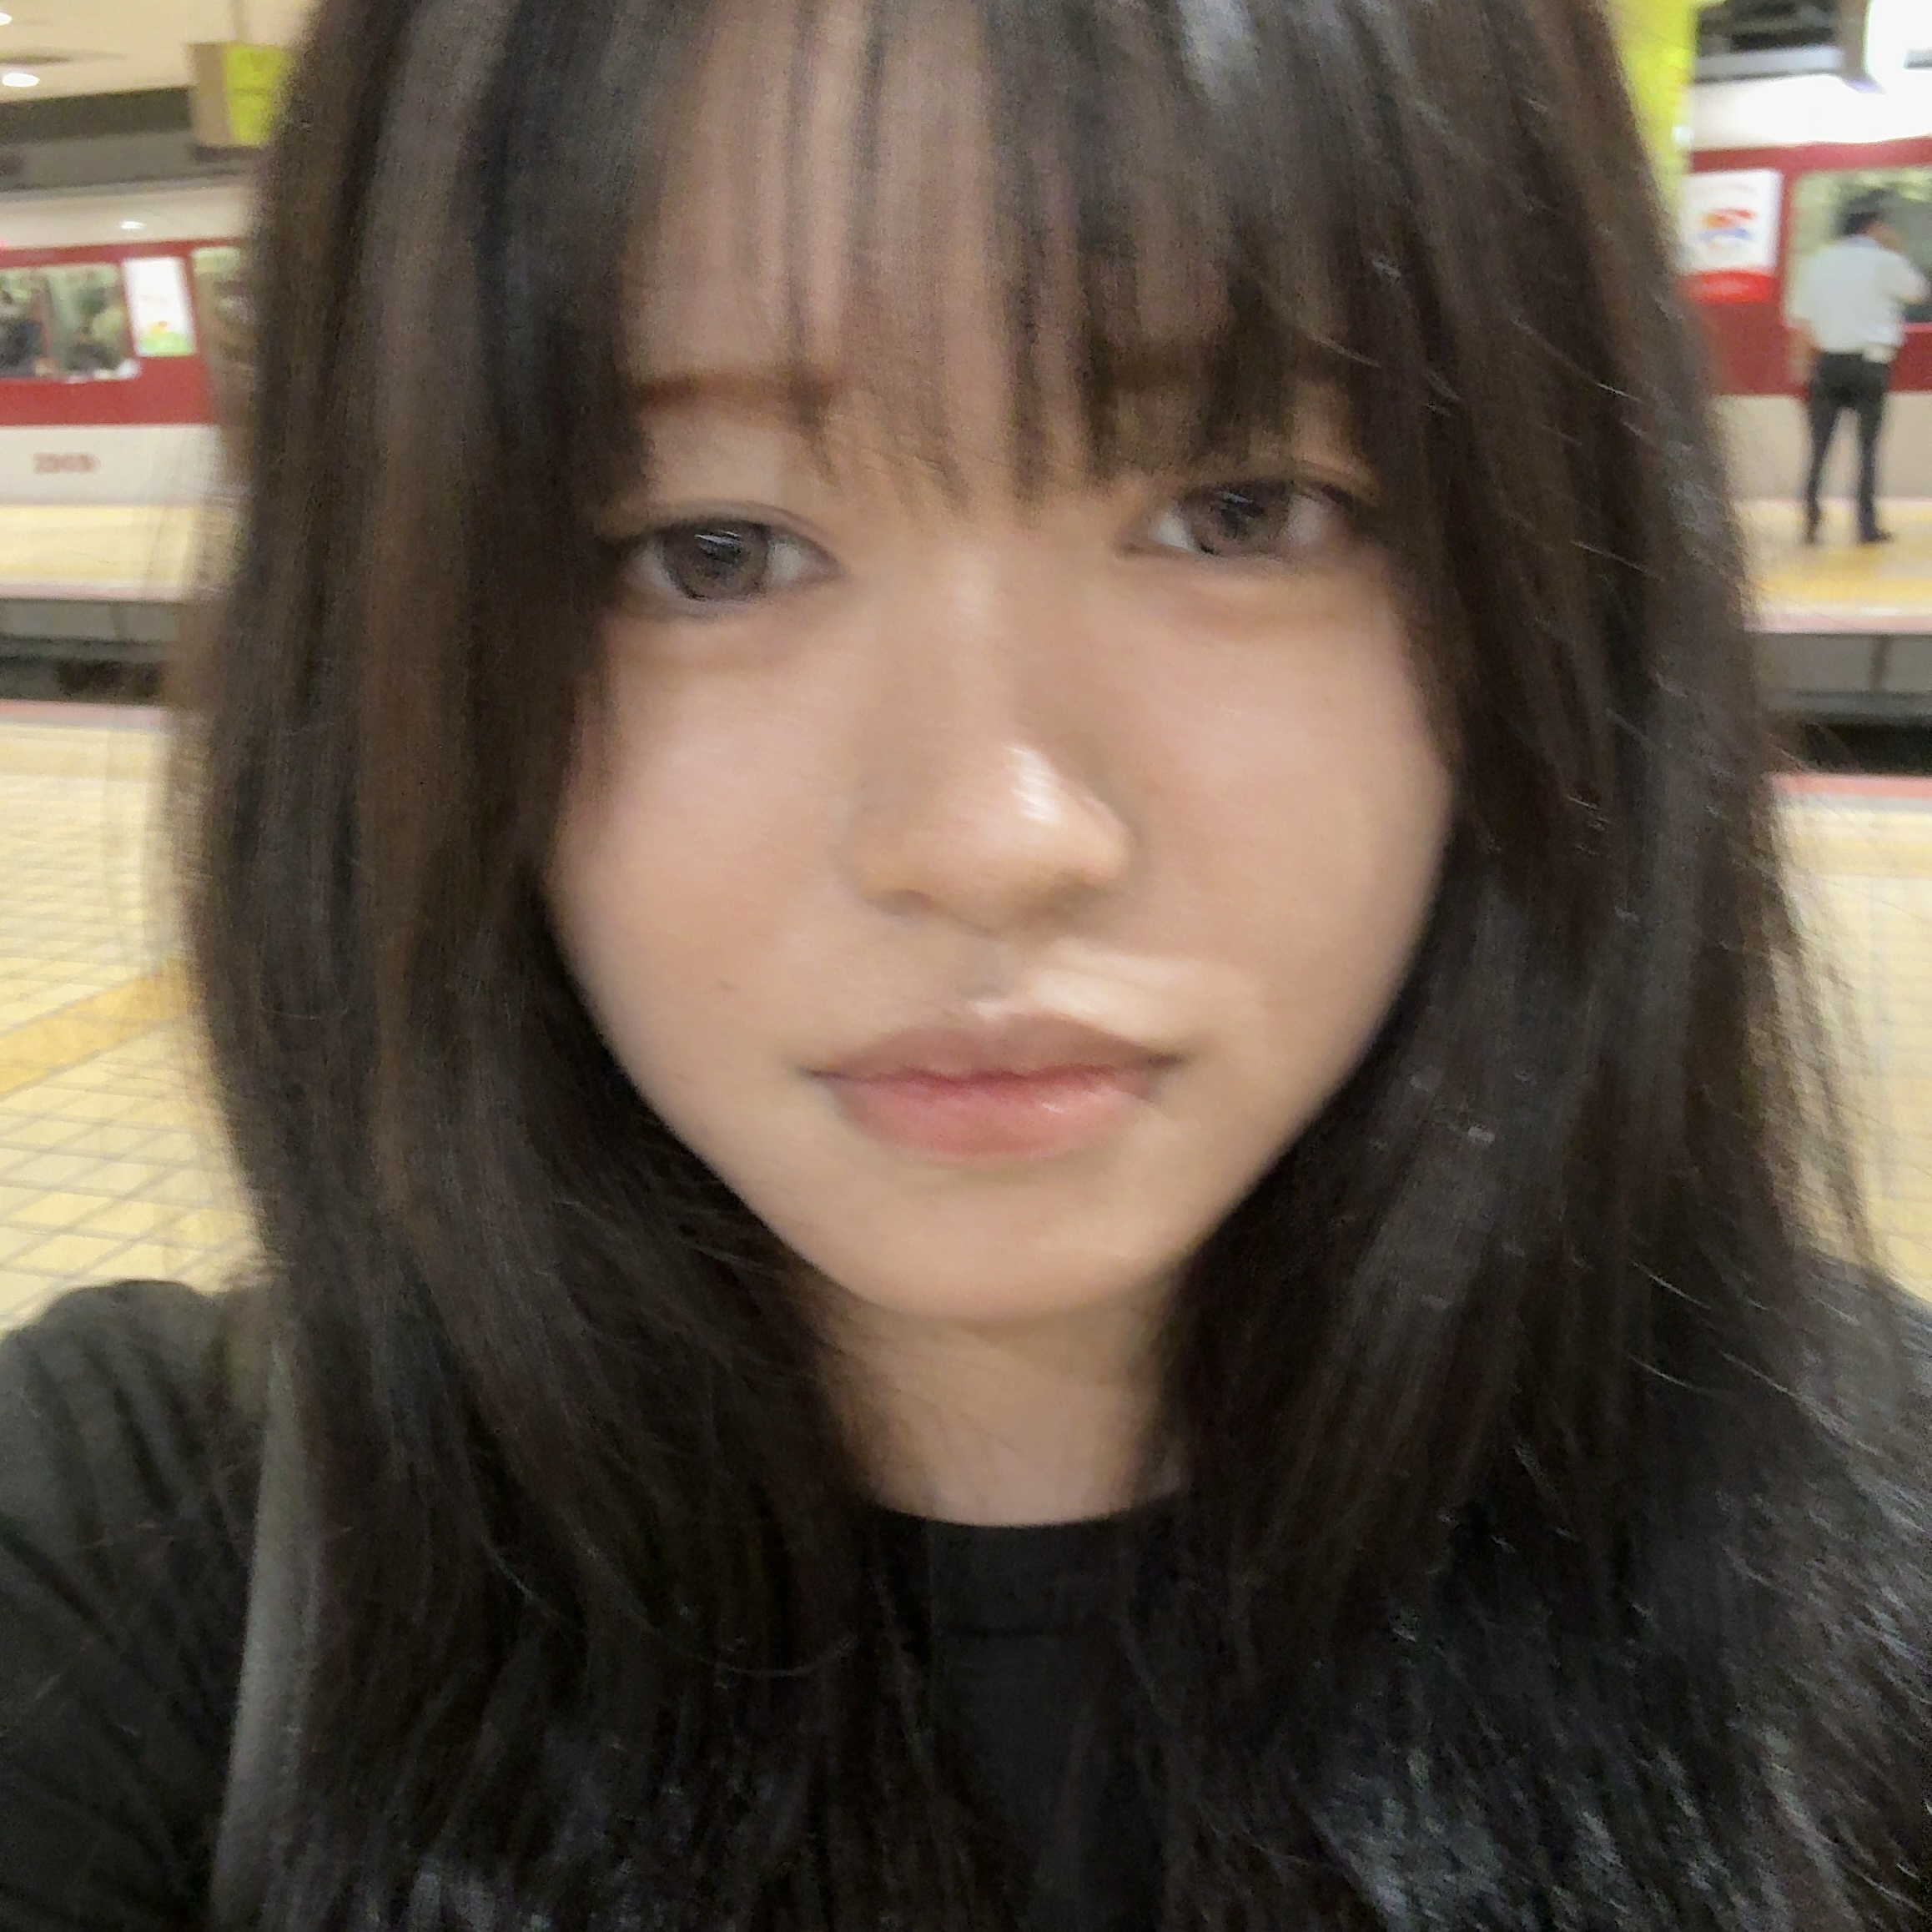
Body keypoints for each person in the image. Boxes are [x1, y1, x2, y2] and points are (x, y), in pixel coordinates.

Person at [1, 0, 1928, 1927]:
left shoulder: (1873, 1526)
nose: (991, 836)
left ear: (1560, 592)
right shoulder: (133, 1562)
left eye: (1238, 511)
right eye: (710, 550)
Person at [1787, 199, 1930, 545]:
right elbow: (1918, 293)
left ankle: (1811, 521)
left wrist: (1801, 369)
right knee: (1867, 449)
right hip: (1870, 366)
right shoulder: (1886, 260)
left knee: (1819, 448)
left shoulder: (1818, 262)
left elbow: (1804, 322)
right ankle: (1866, 526)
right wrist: (1898, 251)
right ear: (1874, 227)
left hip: (1827, 365)